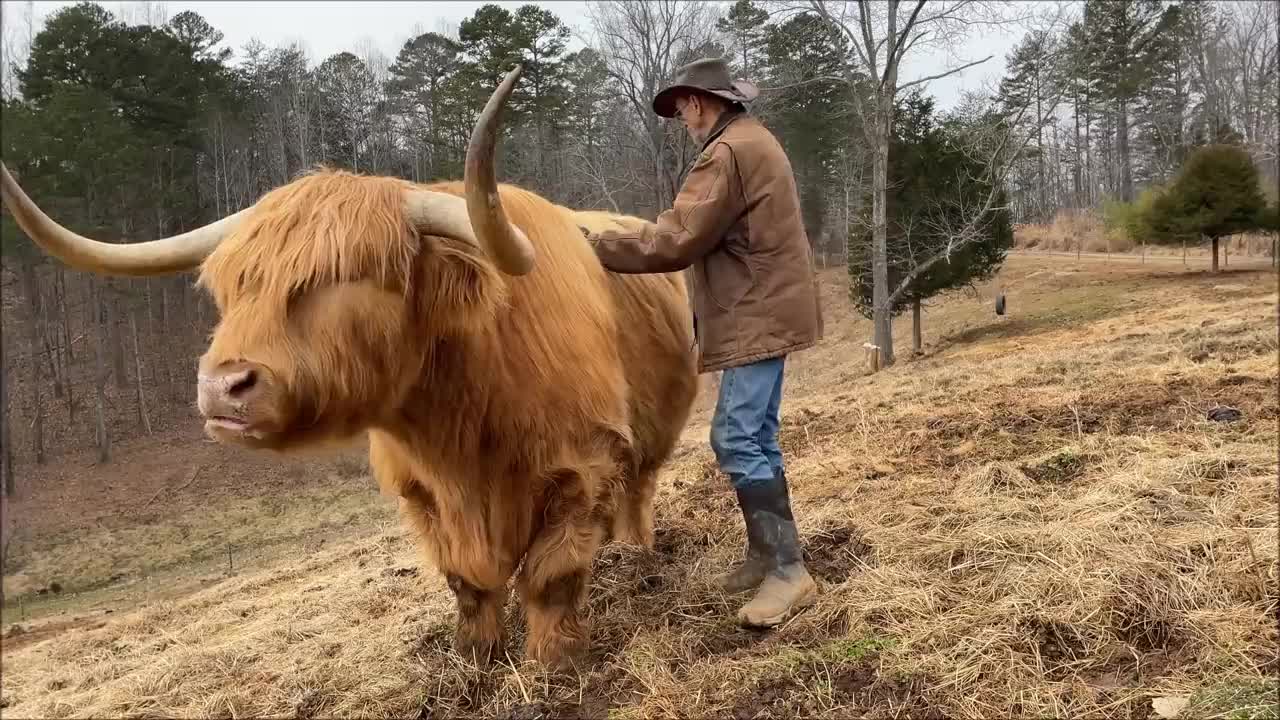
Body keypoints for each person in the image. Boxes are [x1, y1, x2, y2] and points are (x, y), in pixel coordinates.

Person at [584, 57, 824, 628]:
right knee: (757, 434)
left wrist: (591, 248)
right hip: (764, 307)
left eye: (683, 109)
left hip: (753, 312)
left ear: (698, 101)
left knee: (736, 437)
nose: (682, 120)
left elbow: (678, 241)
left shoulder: (726, 152)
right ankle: (768, 554)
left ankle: (789, 573)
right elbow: (686, 229)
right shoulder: (752, 140)